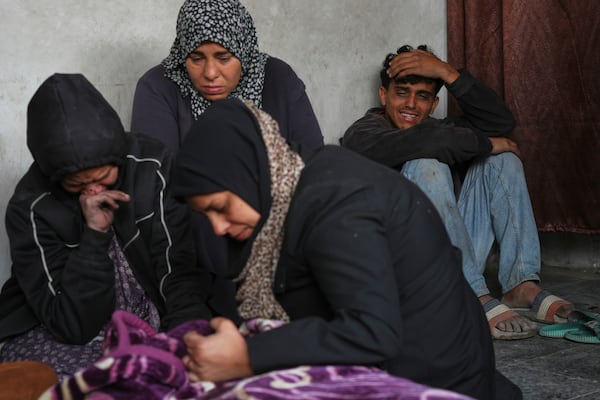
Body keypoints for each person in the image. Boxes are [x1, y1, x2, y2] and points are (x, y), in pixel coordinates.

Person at [169, 98, 522, 400]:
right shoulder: (281, 191)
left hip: (434, 378)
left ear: (247, 173)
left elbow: (372, 333)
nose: (217, 227)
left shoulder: (337, 206)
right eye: (206, 215)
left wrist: (247, 355)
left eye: (220, 207)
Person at [341, 44, 575, 340]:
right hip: (400, 270)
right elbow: (423, 141)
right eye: (402, 93)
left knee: (502, 160)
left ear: (434, 104)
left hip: (452, 262)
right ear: (384, 95)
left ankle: (520, 284)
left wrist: (447, 72)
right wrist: (487, 143)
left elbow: (501, 123)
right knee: (427, 161)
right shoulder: (364, 132)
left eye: (423, 96)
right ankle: (471, 297)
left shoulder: (444, 129)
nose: (411, 104)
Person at [0, 73, 213, 378]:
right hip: (61, 329)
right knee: (67, 382)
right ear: (55, 177)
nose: (95, 192)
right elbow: (72, 326)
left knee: (174, 373)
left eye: (103, 178)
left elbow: (178, 268)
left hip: (153, 315)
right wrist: (94, 234)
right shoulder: (30, 207)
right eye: (77, 185)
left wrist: (185, 338)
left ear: (118, 158)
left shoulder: (151, 165)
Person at [130, 0, 324, 295]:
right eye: (196, 58)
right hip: (195, 239)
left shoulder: (278, 79)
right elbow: (156, 185)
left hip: (280, 230)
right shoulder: (159, 87)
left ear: (243, 50)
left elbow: (311, 162)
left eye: (223, 57)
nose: (210, 73)